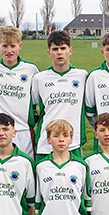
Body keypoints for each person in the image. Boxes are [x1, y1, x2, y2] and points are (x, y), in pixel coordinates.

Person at [31, 30, 89, 159]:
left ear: (70, 50)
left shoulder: (82, 76)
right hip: (47, 144)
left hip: (73, 143)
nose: (59, 52)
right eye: (55, 49)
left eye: (63, 48)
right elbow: (33, 107)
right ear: (49, 52)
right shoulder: (39, 78)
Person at [0, 26, 39, 156]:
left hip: (23, 131)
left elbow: (36, 99)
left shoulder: (31, 70)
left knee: (26, 170)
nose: (9, 50)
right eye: (5, 46)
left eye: (13, 46)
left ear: (20, 46)